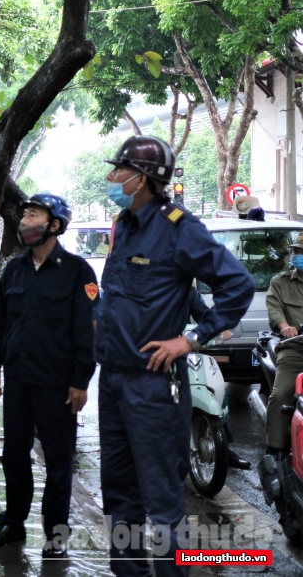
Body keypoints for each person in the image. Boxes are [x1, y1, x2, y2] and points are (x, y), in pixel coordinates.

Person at [95, 136, 254, 576]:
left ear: (141, 179)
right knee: (118, 494)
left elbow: (237, 285)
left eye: (118, 171)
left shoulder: (180, 228)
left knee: (162, 501)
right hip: (113, 380)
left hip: (153, 385)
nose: (111, 179)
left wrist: (191, 339)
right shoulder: (124, 225)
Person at [0, 193, 97, 559]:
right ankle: (13, 523)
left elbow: (87, 332)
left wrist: (81, 381)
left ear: (54, 225)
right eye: (24, 214)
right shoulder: (13, 269)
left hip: (58, 386)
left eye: (33, 215)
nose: (24, 220)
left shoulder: (79, 272)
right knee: (13, 456)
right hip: (17, 381)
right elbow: (0, 325)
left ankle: (55, 534)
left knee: (59, 463)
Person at [188, 288, 247, 469]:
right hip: (154, 354)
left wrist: (220, 327)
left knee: (215, 389)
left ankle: (224, 447)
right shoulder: (144, 290)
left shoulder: (186, 291)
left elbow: (205, 315)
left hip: (185, 351)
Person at [264, 234, 303, 458]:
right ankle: (275, 447)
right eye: (297, 252)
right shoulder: (280, 282)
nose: (299, 256)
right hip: (294, 347)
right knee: (280, 394)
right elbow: (274, 309)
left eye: (302, 252)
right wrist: (284, 325)